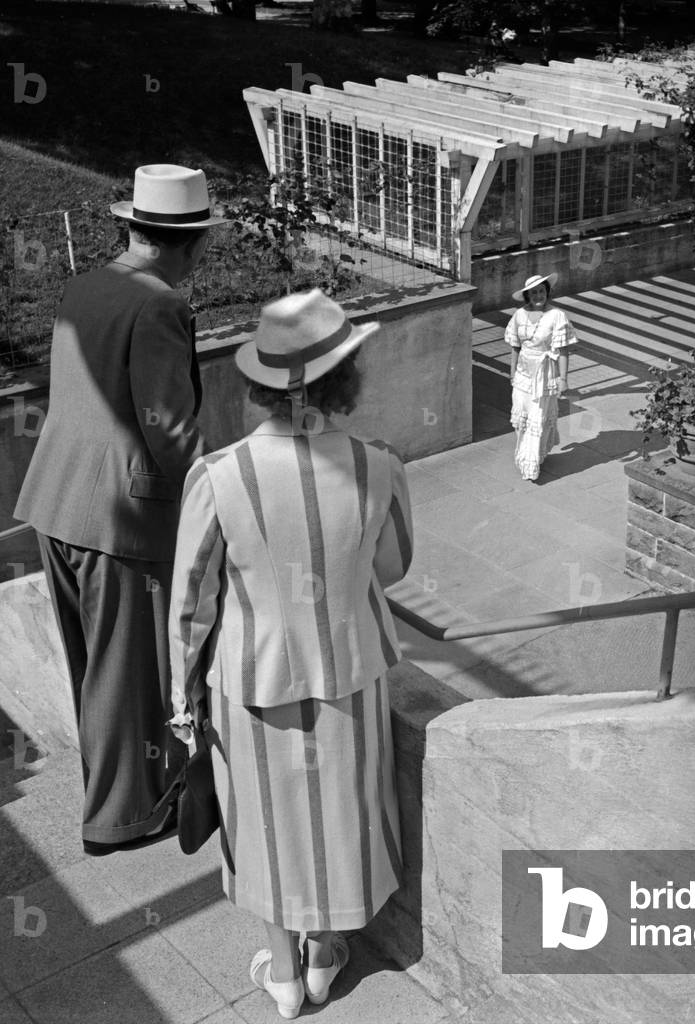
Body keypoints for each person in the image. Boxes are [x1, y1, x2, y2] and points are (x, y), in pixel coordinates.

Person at [167, 289, 413, 1019]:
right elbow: (392, 566)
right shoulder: (378, 467)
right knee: (343, 812)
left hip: (248, 681)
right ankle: (328, 954)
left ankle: (282, 971)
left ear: (260, 382)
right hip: (350, 669)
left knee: (263, 823)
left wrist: (181, 701)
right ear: (345, 380)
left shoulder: (218, 477)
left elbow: (190, 604)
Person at [13, 164, 224, 853]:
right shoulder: (161, 304)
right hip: (122, 519)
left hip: (57, 498)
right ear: (183, 242)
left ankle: (112, 795)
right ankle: (122, 817)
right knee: (129, 672)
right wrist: (223, 498)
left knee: (92, 667)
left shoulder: (88, 284)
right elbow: (168, 425)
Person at [505, 272, 578, 481]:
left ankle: (531, 462)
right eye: (534, 292)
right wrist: (512, 373)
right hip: (522, 375)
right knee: (522, 417)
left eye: (542, 291)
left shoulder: (557, 316)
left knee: (537, 417)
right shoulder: (519, 315)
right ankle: (525, 453)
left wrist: (563, 379)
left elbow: (562, 350)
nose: (539, 295)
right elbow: (515, 347)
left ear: (548, 292)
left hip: (545, 373)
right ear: (528, 295)